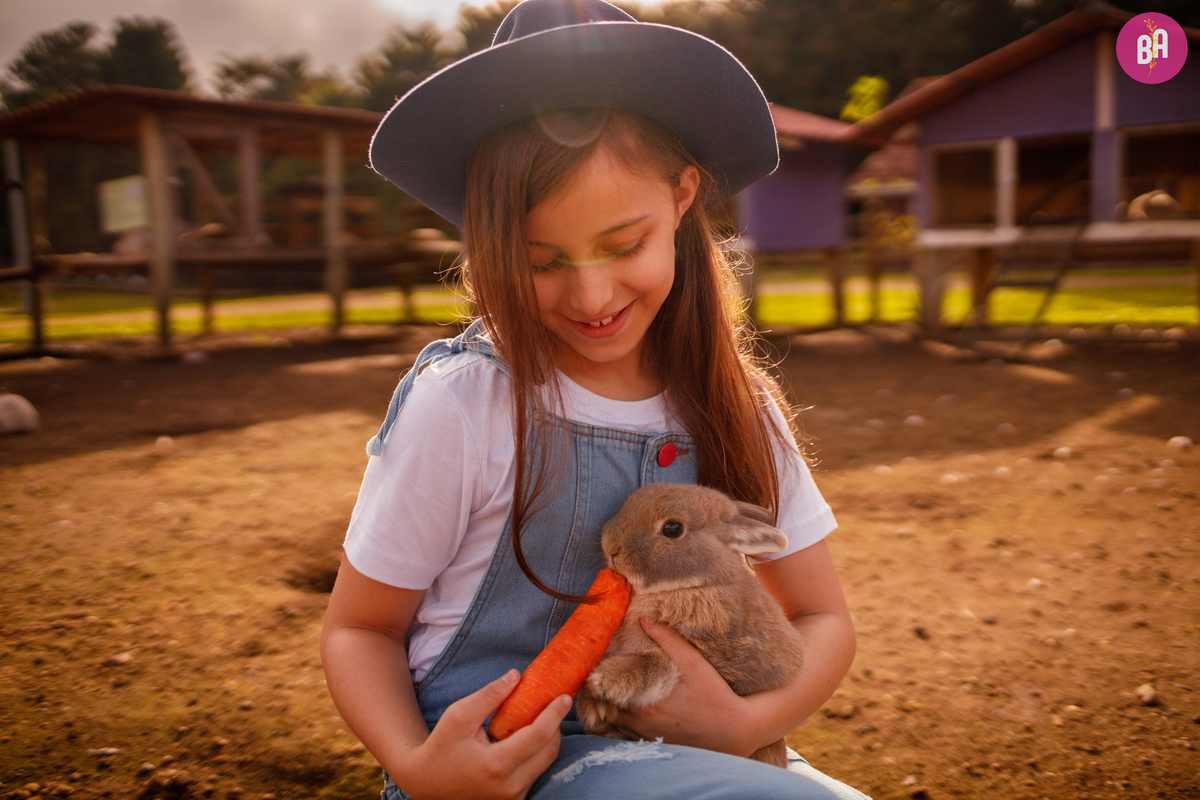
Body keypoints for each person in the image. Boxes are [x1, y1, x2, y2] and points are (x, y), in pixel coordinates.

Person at [320, 2, 866, 798]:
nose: (592, 294)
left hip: (691, 749)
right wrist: (415, 764)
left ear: (682, 199)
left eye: (623, 245)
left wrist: (748, 726)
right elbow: (358, 627)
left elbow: (825, 618)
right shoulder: (465, 406)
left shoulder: (734, 405)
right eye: (542, 260)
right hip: (495, 771)